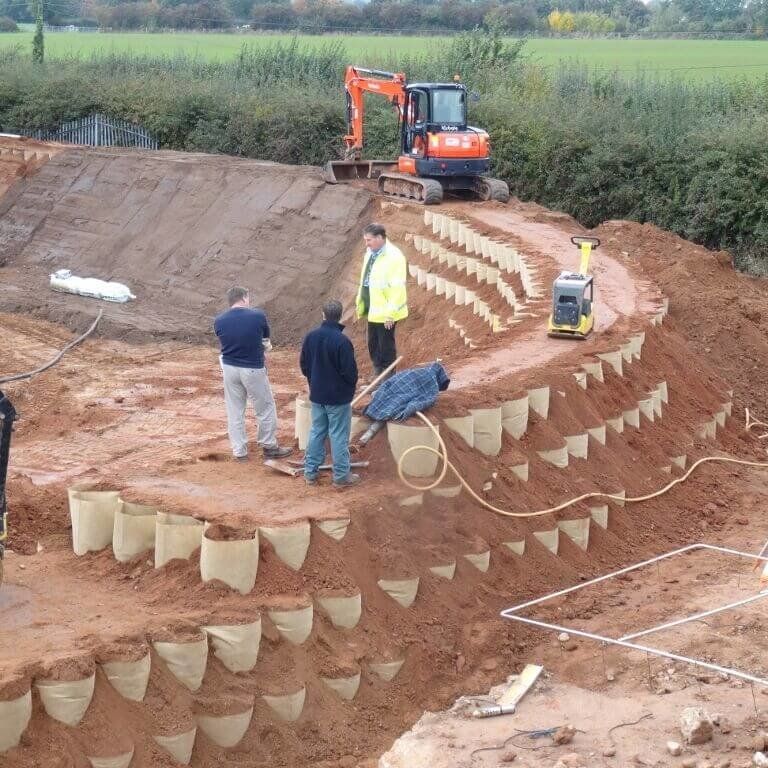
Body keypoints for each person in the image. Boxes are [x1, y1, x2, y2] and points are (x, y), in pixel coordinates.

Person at [214, 286, 292, 462]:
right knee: (265, 408)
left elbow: (225, 340)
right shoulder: (257, 316)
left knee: (234, 411)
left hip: (229, 368)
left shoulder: (219, 320)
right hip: (252, 368)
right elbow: (265, 342)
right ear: (244, 298)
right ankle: (269, 446)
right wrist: (263, 351)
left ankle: (239, 452)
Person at [300, 300, 360, 487]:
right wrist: (348, 389)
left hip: (318, 395)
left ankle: (310, 473)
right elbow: (350, 373)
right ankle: (341, 476)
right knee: (338, 435)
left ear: (323, 315)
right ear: (340, 315)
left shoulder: (311, 337)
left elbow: (304, 365)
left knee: (317, 431)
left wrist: (313, 381)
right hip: (338, 399)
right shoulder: (342, 341)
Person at [355, 223, 408, 377]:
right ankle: (378, 373)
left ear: (379, 238)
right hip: (373, 308)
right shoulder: (370, 253)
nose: (366, 244)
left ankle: (388, 377)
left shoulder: (394, 257)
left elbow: (397, 288)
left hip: (386, 312)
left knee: (386, 346)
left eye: (369, 240)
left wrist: (390, 314)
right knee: (373, 344)